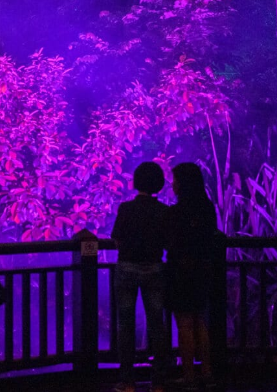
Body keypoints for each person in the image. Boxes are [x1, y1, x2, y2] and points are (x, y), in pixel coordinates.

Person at [111, 162, 170, 392]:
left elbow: (117, 238)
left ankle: (127, 381)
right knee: (157, 324)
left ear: (136, 182)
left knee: (125, 324)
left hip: (127, 267)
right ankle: (159, 381)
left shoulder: (126, 208)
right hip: (154, 268)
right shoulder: (163, 211)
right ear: (158, 183)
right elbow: (167, 241)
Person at [166, 163, 218, 390]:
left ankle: (188, 375)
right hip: (203, 269)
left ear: (182, 183)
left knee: (185, 324)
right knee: (201, 321)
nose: (173, 184)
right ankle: (206, 372)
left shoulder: (176, 212)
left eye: (175, 180)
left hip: (181, 271)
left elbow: (171, 242)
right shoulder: (207, 208)